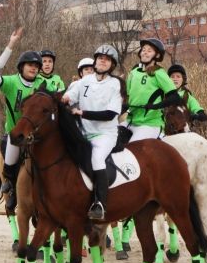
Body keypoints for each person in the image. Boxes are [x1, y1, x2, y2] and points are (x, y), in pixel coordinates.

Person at [62, 44, 123, 220]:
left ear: (112, 65)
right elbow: (69, 96)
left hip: (105, 134)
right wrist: (64, 98)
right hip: (84, 133)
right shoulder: (83, 82)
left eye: (107, 59)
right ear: (95, 61)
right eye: (100, 58)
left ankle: (100, 204)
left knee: (97, 158)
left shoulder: (115, 84)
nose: (103, 61)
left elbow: (110, 114)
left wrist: (82, 113)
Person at [0, 47, 43, 197]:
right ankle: (9, 183)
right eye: (30, 65)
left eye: (36, 67)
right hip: (17, 134)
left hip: (38, 135)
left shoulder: (43, 84)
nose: (33, 69)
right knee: (11, 155)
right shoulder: (11, 82)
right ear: (22, 67)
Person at [124, 38, 181, 142]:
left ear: (157, 55)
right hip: (130, 121)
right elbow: (127, 96)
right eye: (143, 50)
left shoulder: (159, 73)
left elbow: (175, 98)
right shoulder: (133, 72)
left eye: (149, 51)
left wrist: (155, 106)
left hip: (150, 124)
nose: (145, 53)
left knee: (132, 148)